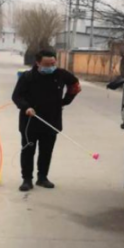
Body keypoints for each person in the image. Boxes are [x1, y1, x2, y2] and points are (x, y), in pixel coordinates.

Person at [12, 49, 81, 191]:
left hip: (51, 121)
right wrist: (26, 107)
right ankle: (27, 179)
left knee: (46, 151)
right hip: (30, 121)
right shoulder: (27, 77)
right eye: (47, 64)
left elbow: (75, 86)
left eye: (53, 63)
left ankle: (42, 178)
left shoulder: (61, 74)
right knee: (28, 150)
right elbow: (16, 96)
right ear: (38, 63)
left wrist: (65, 101)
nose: (50, 67)